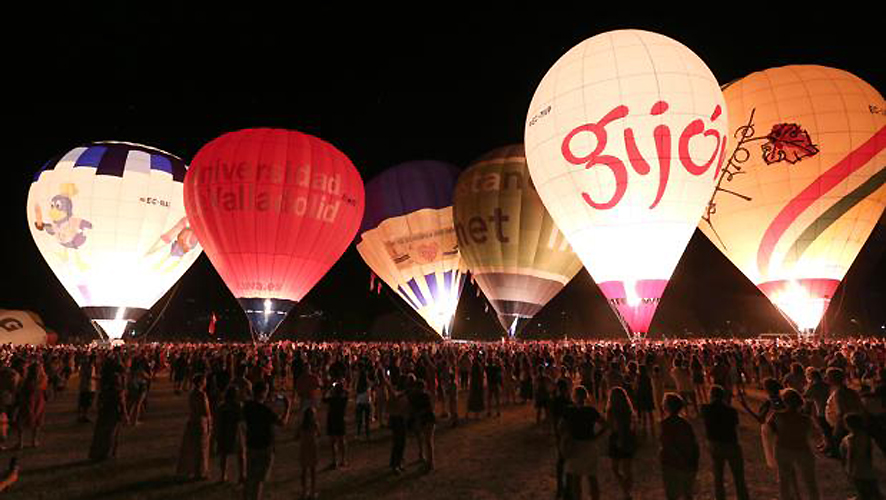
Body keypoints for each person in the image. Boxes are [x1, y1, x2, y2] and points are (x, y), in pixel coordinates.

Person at [242, 380, 291, 500]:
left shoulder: (248, 406)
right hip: (264, 446)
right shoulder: (265, 410)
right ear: (263, 392)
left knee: (250, 476)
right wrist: (287, 407)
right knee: (259, 479)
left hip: (251, 443)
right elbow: (282, 423)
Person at [768, 388, 820, 500]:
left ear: (784, 401)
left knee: (784, 481)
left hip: (783, 449)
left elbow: (770, 430)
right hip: (802, 449)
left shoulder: (777, 416)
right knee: (810, 482)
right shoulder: (806, 419)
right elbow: (815, 435)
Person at [701, 385, 749, 500]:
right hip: (731, 443)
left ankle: (720, 497)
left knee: (718, 477)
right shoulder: (731, 411)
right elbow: (735, 425)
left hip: (715, 444)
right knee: (739, 477)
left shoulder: (706, 409)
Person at [560, 386, 606, 500]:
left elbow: (560, 427)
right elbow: (606, 425)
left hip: (575, 446)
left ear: (574, 397)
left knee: (576, 480)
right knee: (592, 478)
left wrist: (567, 436)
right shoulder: (591, 411)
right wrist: (596, 437)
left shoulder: (569, 411)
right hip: (590, 445)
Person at [659, 393, 699, 500]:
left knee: (672, 494)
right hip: (686, 461)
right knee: (687, 493)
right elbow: (693, 444)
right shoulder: (686, 424)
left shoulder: (666, 424)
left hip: (671, 463)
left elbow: (667, 444)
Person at [88, 363, 129, 461]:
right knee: (111, 433)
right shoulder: (116, 384)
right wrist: (125, 414)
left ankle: (99, 452)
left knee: (102, 432)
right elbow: (121, 400)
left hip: (105, 410)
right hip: (113, 411)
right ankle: (108, 453)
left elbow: (99, 400)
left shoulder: (105, 384)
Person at [176, 374, 212, 480]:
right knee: (202, 448)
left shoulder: (192, 394)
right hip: (201, 422)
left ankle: (190, 470)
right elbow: (205, 411)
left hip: (192, 420)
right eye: (204, 380)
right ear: (201, 382)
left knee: (192, 447)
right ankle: (200, 472)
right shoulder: (202, 395)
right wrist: (210, 420)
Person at [840, 412, 882, 500]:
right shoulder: (867, 437)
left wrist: (849, 469)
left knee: (861, 487)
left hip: (857, 469)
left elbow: (849, 455)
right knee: (873, 488)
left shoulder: (849, 440)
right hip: (869, 468)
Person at [606, 386, 636, 500]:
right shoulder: (627, 410)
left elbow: (611, 425)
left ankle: (625, 490)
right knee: (627, 469)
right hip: (628, 437)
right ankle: (627, 492)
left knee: (615, 468)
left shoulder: (611, 410)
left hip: (616, 438)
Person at [13, 362, 47, 449]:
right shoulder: (42, 380)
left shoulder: (26, 381)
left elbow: (20, 391)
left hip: (28, 401)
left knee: (22, 422)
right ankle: (33, 441)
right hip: (38, 401)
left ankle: (21, 442)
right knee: (36, 421)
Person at [215, 386, 245, 484]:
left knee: (224, 455)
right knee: (240, 454)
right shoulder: (238, 406)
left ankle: (223, 475)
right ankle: (242, 475)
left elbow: (218, 419)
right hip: (235, 431)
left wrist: (217, 432)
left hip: (224, 431)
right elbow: (241, 418)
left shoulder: (222, 406)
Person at [409, 378, 437, 471]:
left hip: (427, 420)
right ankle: (429, 460)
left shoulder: (424, 396)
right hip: (426, 419)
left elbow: (428, 409)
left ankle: (431, 462)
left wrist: (418, 414)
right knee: (427, 441)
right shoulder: (420, 396)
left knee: (428, 441)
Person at [297, 408, 321, 500]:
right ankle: (312, 491)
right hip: (312, 447)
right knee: (312, 470)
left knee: (304, 470)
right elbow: (319, 434)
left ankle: (304, 491)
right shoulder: (315, 424)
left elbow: (296, 436)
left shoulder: (301, 425)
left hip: (304, 447)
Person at [324, 381, 348, 469]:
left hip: (332, 419)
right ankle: (343, 460)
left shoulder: (331, 399)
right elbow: (346, 393)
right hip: (340, 420)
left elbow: (324, 398)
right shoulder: (343, 399)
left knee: (333, 441)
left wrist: (330, 390)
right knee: (342, 440)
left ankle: (335, 461)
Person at [388, 377, 409, 474]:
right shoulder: (396, 394)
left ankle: (397, 462)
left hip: (400, 418)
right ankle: (395, 464)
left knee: (401, 442)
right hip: (397, 419)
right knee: (398, 442)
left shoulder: (403, 394)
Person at [76, 355, 97, 423]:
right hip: (88, 386)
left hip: (84, 386)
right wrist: (97, 378)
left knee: (82, 402)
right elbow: (89, 376)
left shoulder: (85, 365)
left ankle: (81, 416)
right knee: (86, 402)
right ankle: (83, 416)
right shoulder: (90, 366)